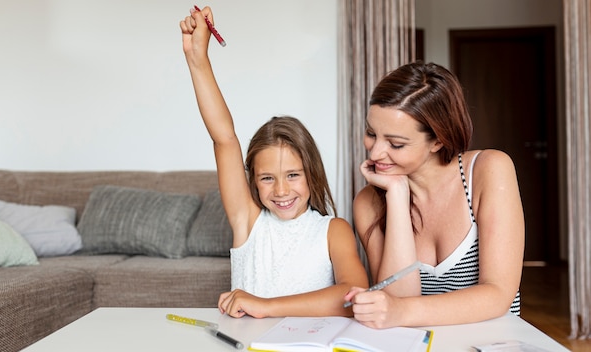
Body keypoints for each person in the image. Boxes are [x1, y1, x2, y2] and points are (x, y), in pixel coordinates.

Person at [180, 6, 368, 319]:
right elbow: (224, 139)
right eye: (267, 178)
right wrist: (197, 58)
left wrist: (265, 306)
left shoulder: (334, 230)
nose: (281, 191)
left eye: (292, 175)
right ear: (252, 180)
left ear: (312, 174)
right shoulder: (249, 222)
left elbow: (353, 297)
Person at [343, 61, 525, 329]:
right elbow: (397, 301)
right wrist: (396, 193)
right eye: (371, 133)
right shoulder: (369, 202)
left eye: (396, 143)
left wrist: (398, 311)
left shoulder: (489, 170)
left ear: (438, 140)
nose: (375, 153)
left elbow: (498, 295)